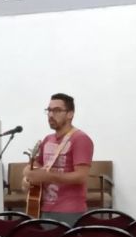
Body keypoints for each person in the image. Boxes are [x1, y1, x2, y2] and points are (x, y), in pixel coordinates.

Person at [23, 93, 94, 226]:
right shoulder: (47, 139)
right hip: (42, 208)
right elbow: (37, 165)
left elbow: (81, 176)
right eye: (49, 110)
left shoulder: (80, 139)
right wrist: (28, 177)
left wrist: (48, 176)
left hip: (69, 211)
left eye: (56, 110)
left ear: (70, 114)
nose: (51, 115)